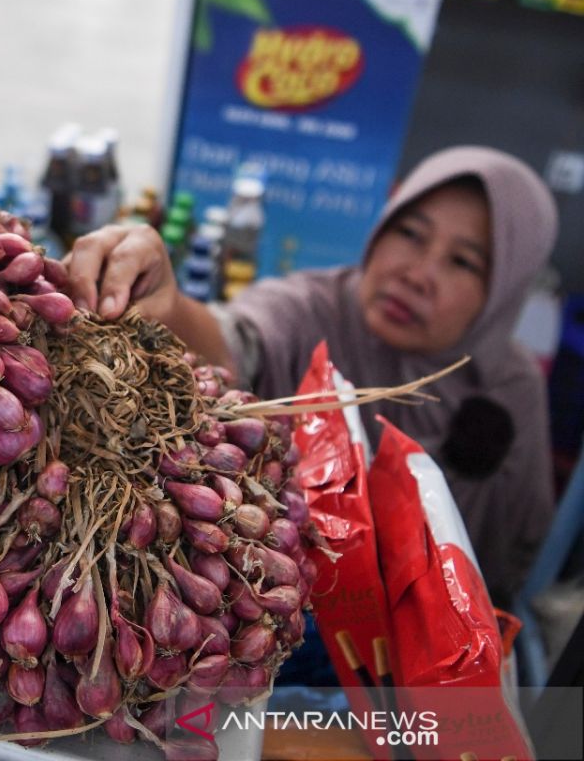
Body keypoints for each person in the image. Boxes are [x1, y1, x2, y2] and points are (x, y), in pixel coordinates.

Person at [65, 146, 558, 608]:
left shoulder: (508, 388)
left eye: (462, 261)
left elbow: (515, 556)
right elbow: (233, 341)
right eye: (411, 233)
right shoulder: (308, 310)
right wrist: (167, 305)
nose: (418, 273)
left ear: (504, 292)